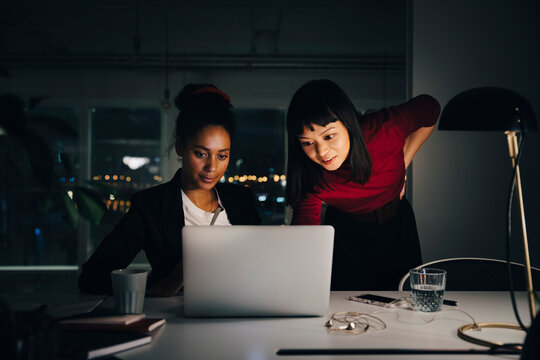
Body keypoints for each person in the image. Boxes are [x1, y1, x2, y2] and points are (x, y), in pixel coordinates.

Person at [79, 84, 261, 296]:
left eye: (222, 156)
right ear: (180, 146)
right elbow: (91, 278)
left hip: (243, 313)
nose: (212, 167)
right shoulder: (151, 206)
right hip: (179, 320)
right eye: (201, 154)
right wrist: (167, 284)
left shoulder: (242, 200)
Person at [286, 79, 440, 290]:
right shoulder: (310, 176)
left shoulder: (384, 129)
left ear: (349, 123)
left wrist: (403, 162)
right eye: (307, 143)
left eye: (329, 136)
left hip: (396, 225)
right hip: (345, 235)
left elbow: (431, 108)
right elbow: (306, 235)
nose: (321, 152)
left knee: (405, 300)